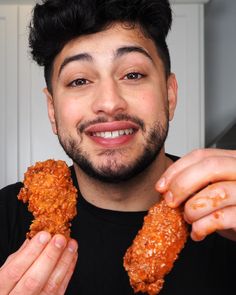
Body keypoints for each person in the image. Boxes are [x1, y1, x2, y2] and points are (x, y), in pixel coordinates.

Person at [0, 0, 235, 294]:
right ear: (52, 110)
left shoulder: (226, 214)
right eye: (79, 80)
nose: (109, 103)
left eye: (133, 74)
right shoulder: (6, 216)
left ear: (170, 96)